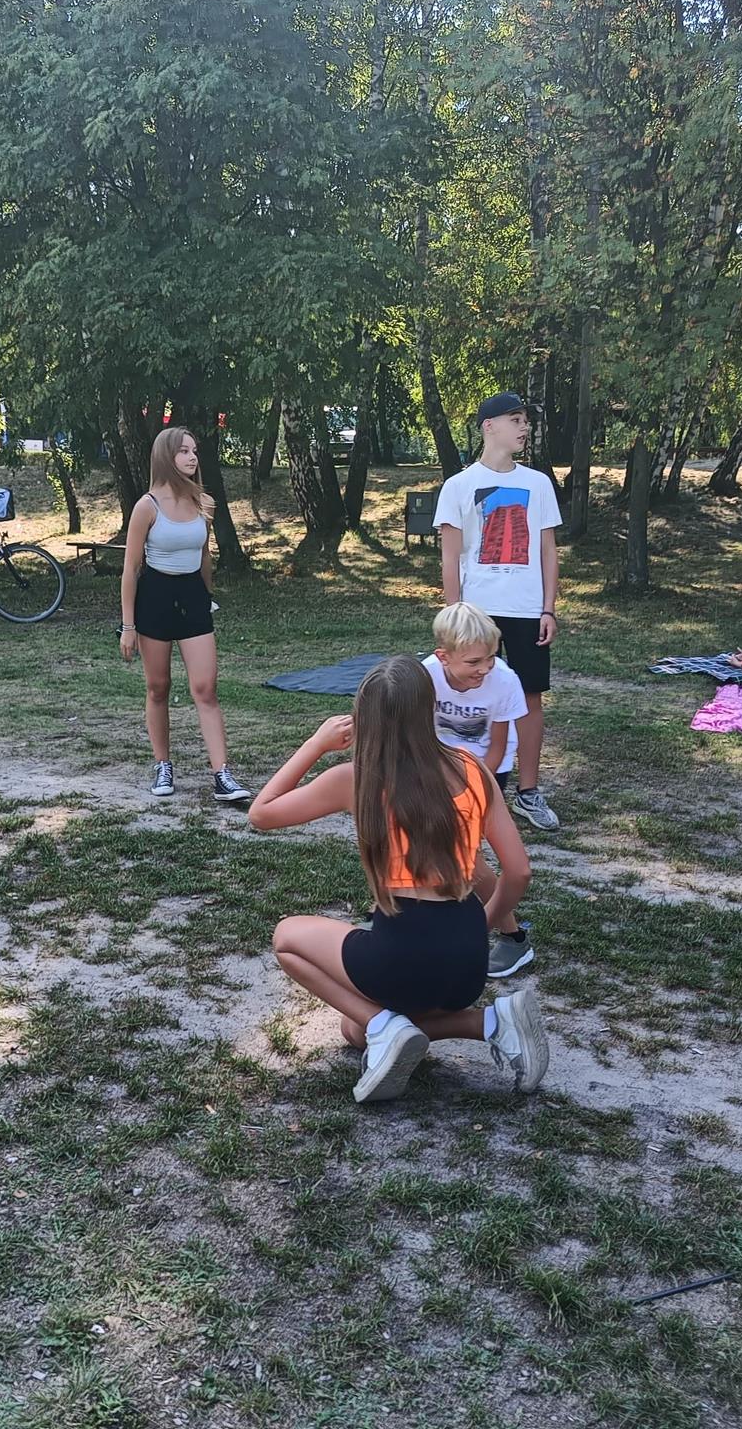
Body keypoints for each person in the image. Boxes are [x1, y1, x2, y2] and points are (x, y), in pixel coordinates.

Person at [248, 655, 549, 1103]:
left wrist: (314, 745)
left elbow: (261, 814)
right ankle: (487, 1021)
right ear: (430, 707)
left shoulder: (356, 778)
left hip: (403, 954)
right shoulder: (473, 769)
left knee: (287, 938)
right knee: (353, 1031)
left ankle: (386, 1025)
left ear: (365, 717)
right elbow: (519, 870)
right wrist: (481, 926)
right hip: (468, 961)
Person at [435, 392, 562, 831]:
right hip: (477, 612)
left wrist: (548, 609)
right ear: (489, 426)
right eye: (516, 419)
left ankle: (527, 792)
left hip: (526, 610)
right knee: (472, 693)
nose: (524, 427)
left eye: (526, 420)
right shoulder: (458, 486)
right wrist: (455, 614)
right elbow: (451, 556)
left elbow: (548, 550)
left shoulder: (539, 483)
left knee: (529, 697)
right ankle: (466, 783)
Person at [119, 425, 251, 804]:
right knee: (158, 687)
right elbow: (130, 568)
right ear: (166, 456)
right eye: (183, 451)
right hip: (155, 597)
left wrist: (207, 598)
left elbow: (204, 555)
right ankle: (163, 765)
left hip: (192, 597)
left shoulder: (203, 503)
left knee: (205, 689)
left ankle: (222, 775)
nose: (192, 457)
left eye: (194, 451)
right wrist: (128, 626)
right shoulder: (147, 506)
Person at [422, 602, 533, 977]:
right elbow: (419, 732)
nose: (485, 668)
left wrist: (472, 788)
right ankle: (408, 916)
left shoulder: (504, 680)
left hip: (486, 772)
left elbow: (498, 747)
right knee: (433, 849)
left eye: (490, 657)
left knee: (467, 857)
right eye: (474, 662)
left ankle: (513, 937)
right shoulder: (425, 675)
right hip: (436, 769)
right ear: (443, 656)